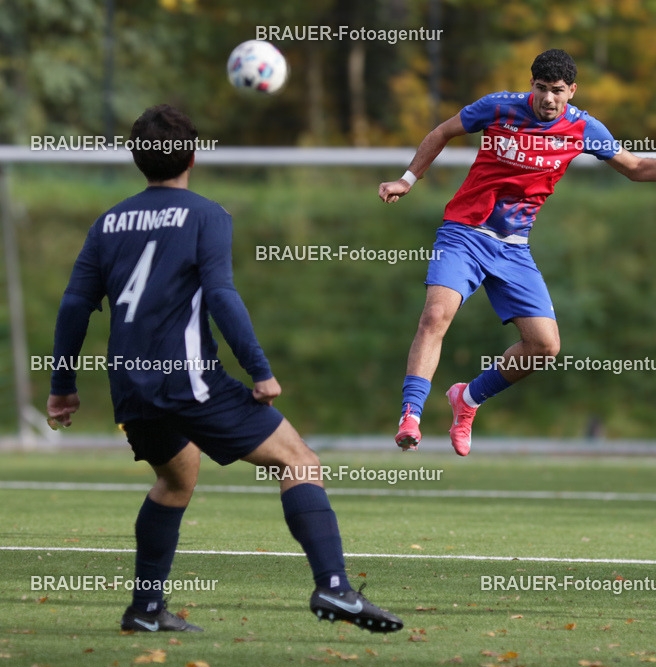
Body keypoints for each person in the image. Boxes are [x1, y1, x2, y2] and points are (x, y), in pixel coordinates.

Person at [45, 105, 402, 634]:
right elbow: (220, 295)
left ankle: (145, 610)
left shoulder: (109, 223)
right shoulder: (206, 214)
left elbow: (75, 305)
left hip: (131, 386)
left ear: (137, 158)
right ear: (192, 155)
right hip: (186, 378)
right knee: (299, 460)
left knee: (175, 478)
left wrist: (62, 387)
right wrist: (260, 370)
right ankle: (335, 588)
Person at [379, 49, 656, 455]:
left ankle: (468, 399)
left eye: (558, 91)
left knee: (545, 346)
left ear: (572, 91)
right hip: (464, 232)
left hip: (513, 248)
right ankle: (411, 414)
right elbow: (441, 132)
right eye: (542, 89)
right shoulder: (498, 108)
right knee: (436, 315)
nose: (549, 99)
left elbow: (633, 168)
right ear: (532, 86)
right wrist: (408, 179)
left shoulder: (584, 127)